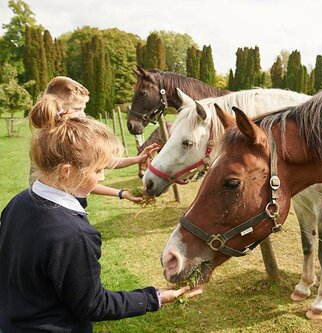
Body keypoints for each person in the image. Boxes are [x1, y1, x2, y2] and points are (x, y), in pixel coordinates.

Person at [0, 96, 192, 332]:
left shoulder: (18, 203)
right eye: (98, 170)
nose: (103, 177)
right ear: (67, 172)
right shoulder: (74, 234)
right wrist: (154, 298)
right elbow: (93, 304)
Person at [29, 76, 159, 203]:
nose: (83, 115)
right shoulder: (59, 144)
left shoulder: (48, 138)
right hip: (58, 208)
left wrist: (137, 159)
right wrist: (121, 193)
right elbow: (82, 182)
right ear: (58, 108)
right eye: (78, 109)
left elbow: (106, 161)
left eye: (84, 109)